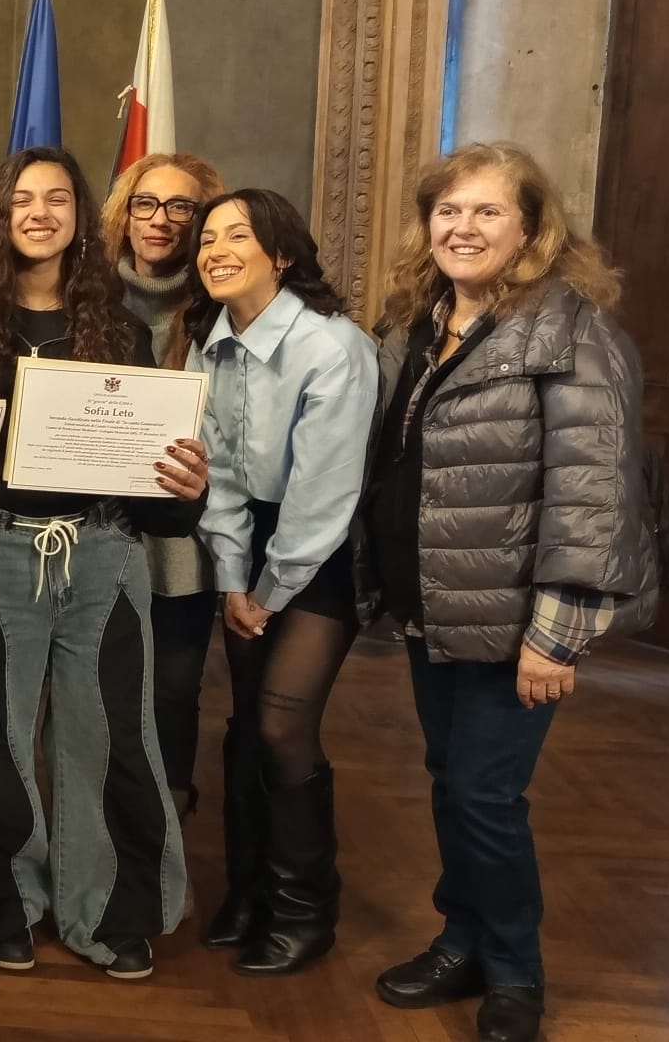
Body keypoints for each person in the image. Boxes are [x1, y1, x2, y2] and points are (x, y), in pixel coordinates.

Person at [364, 143, 655, 1042]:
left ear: (531, 228)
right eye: (448, 210)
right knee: (451, 784)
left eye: (487, 211)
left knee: (486, 797)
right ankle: (462, 943)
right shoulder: (418, 325)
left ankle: (516, 974)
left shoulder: (573, 331)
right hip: (435, 603)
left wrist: (556, 635)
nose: (464, 227)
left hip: (517, 621)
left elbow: (593, 495)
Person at [0, 146, 209, 981]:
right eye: (23, 200)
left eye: (58, 198)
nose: (41, 213)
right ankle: (0, 906)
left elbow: (149, 472)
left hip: (105, 551)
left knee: (112, 733)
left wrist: (183, 488)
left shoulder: (118, 326)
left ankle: (110, 908)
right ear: (0, 215)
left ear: (82, 217)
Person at [184, 188, 378, 977]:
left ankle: (305, 912)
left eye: (238, 236)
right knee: (243, 722)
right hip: (247, 540)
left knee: (280, 723)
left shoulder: (333, 345)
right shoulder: (210, 340)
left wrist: (268, 589)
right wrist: (234, 577)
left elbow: (322, 495)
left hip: (323, 549)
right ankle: (248, 894)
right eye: (207, 238)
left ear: (283, 254)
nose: (215, 250)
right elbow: (220, 475)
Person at [100, 152, 227, 909]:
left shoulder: (221, 306)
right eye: (146, 204)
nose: (160, 221)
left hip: (184, 543)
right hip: (101, 534)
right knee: (98, 695)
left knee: (172, 693)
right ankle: (97, 843)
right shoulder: (87, 293)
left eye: (182, 208)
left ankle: (161, 848)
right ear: (125, 211)